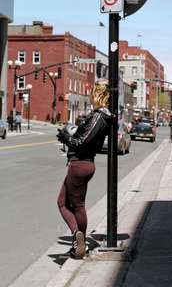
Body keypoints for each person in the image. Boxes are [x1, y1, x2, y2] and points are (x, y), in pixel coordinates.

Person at [56, 80, 111, 259]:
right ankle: (79, 241)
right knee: (67, 202)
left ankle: (78, 238)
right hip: (85, 163)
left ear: (97, 94)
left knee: (68, 204)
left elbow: (82, 142)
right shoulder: (102, 116)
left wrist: (66, 138)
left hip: (80, 163)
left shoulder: (99, 116)